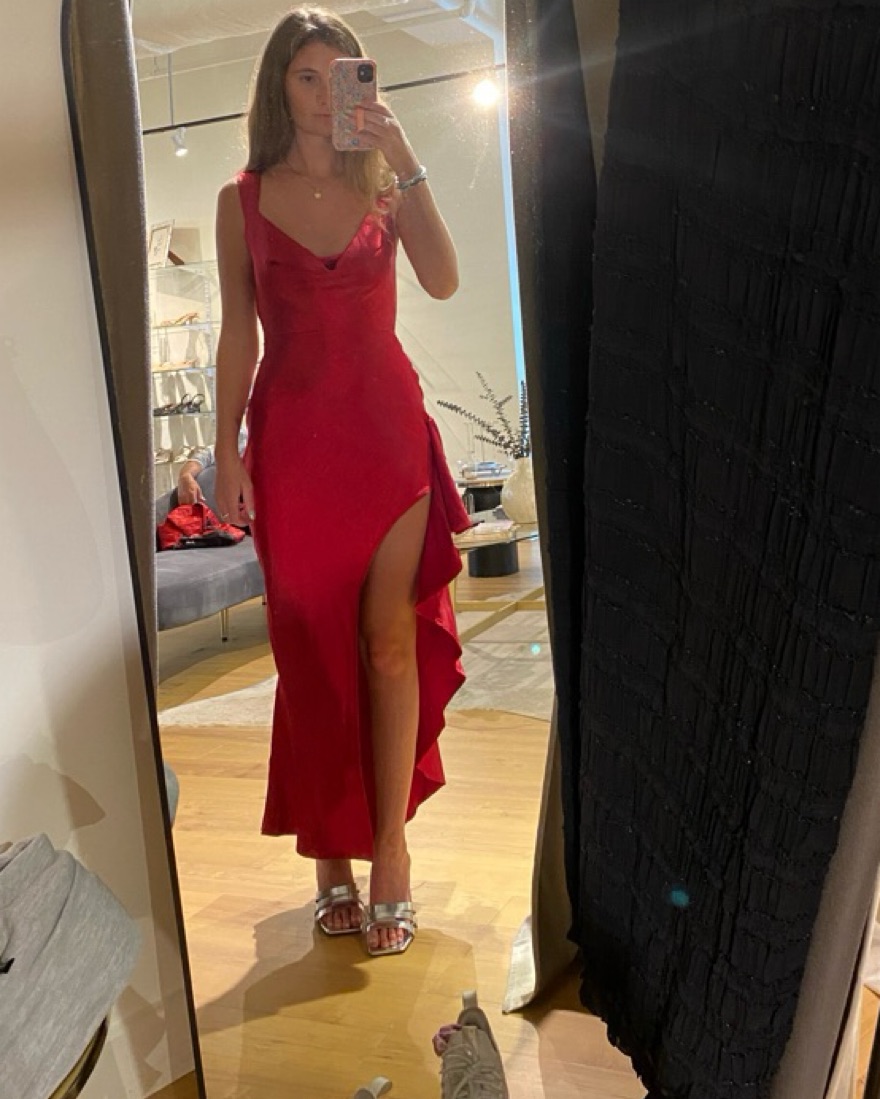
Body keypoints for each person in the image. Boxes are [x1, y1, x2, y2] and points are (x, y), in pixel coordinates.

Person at [214, 6, 471, 956]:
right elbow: (237, 332)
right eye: (306, 78)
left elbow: (443, 280)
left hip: (386, 438)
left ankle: (391, 852)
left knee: (390, 646)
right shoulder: (243, 199)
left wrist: (403, 152)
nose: (326, 96)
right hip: (292, 449)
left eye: (341, 76)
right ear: (278, 88)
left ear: (365, 84)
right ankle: (331, 859)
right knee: (312, 654)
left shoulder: (385, 187)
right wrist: (225, 450)